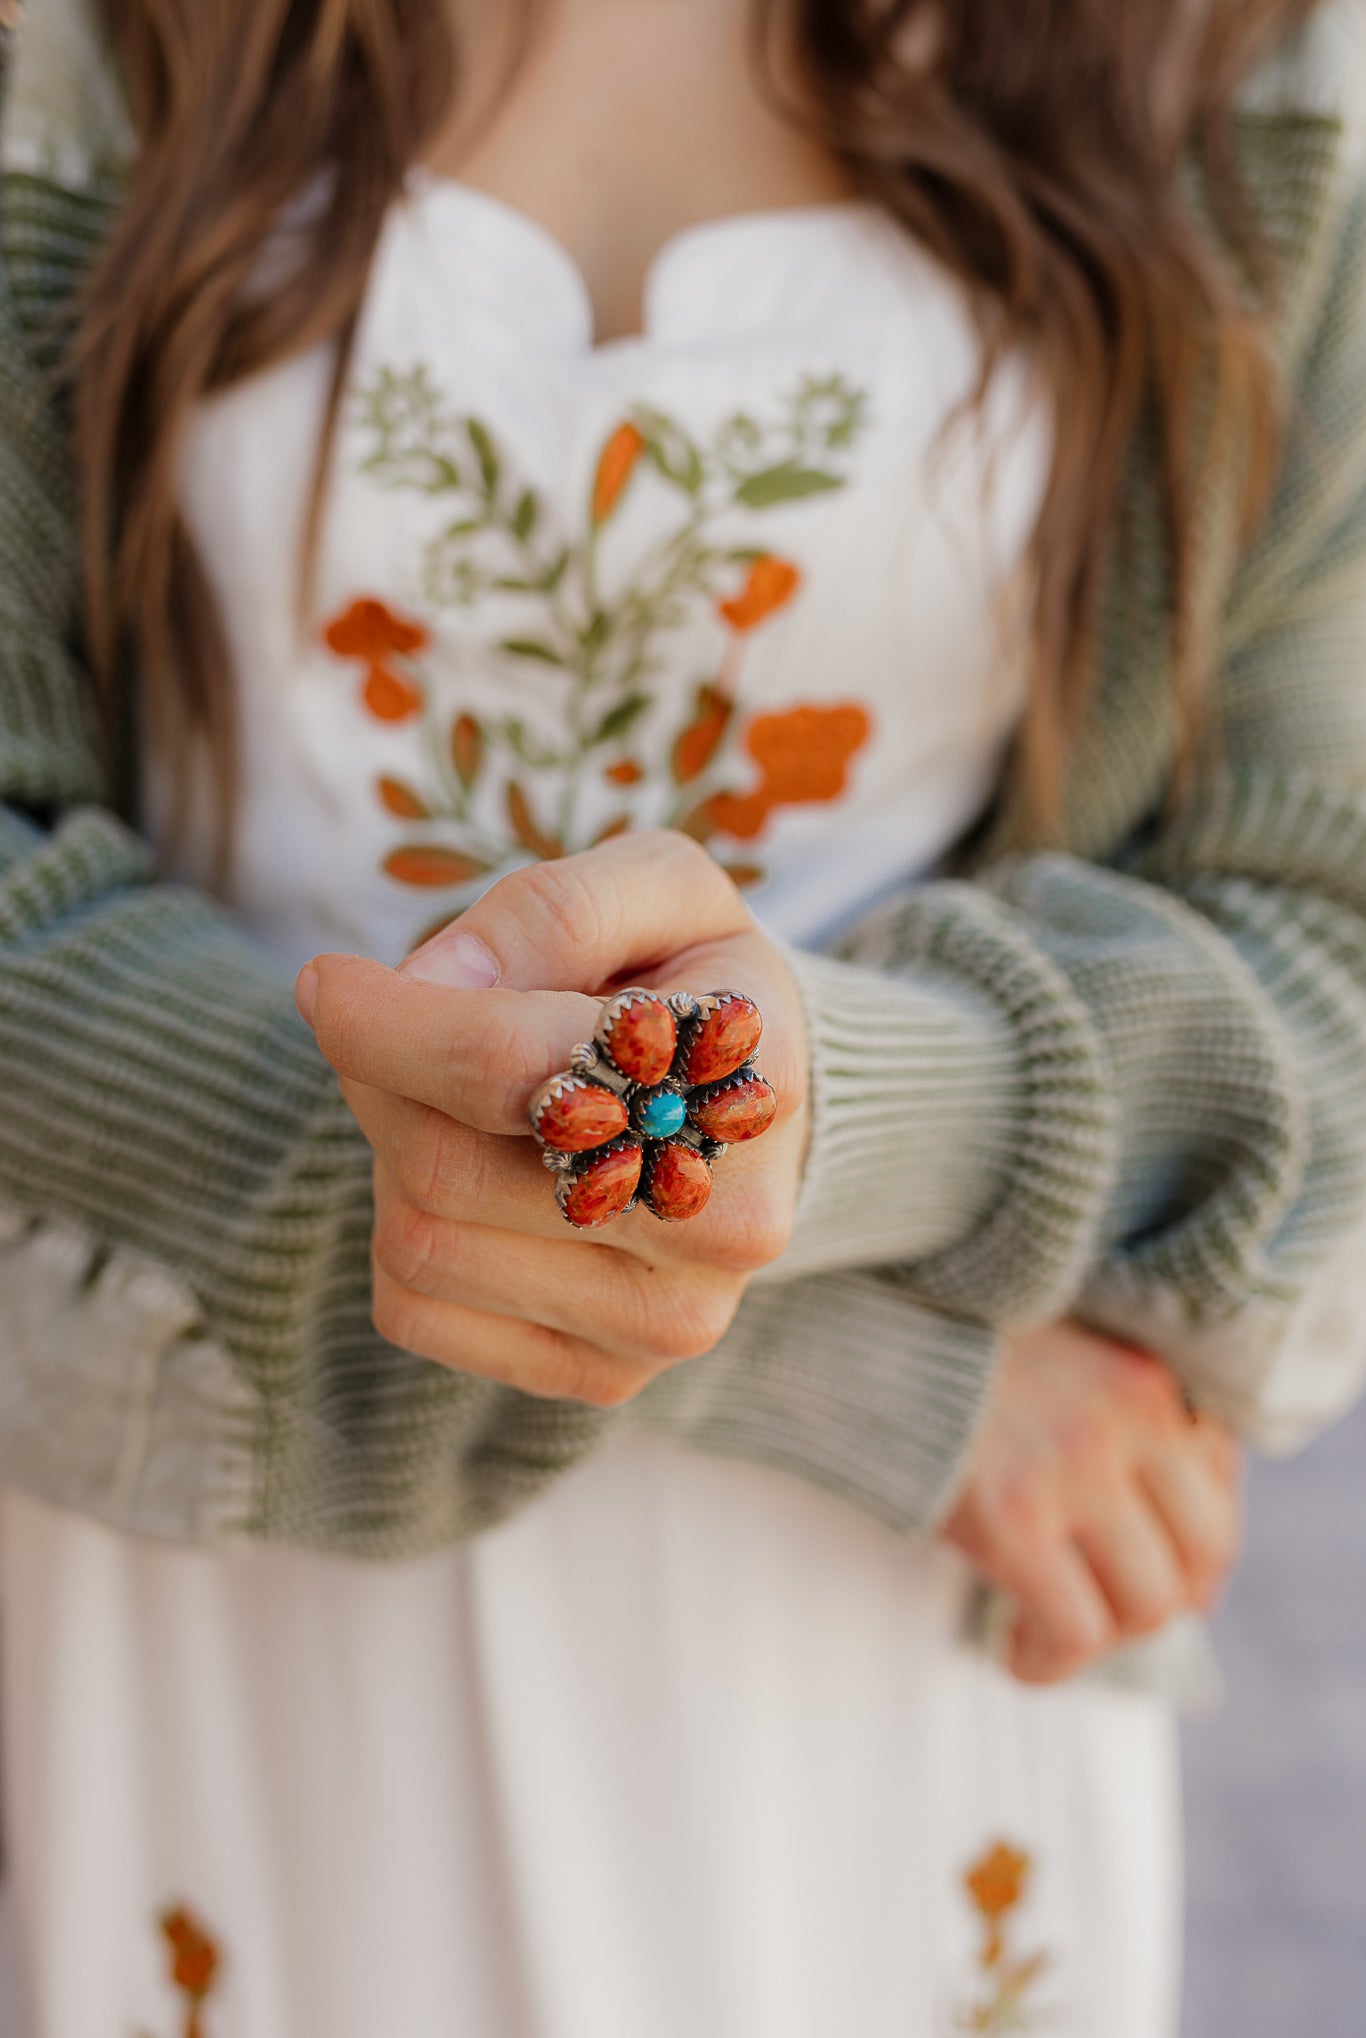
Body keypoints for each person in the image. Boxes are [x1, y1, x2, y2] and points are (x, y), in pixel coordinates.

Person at [1, 0, 1365, 2032]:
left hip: (892, 1672)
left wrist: (871, 1107)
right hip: (254, 1553)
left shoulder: (1238, 59)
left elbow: (1315, 934)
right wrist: (837, 1357)